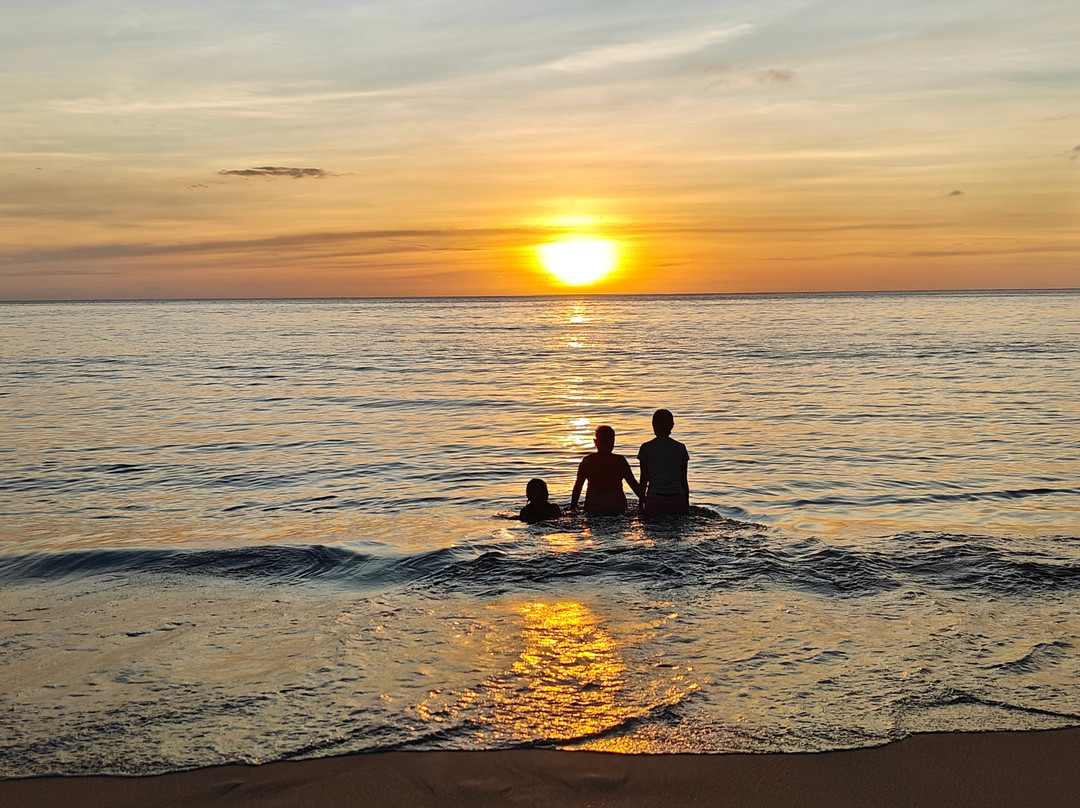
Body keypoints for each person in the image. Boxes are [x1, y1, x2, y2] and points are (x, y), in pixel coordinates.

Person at [570, 425, 643, 515]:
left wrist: (572, 508)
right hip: (617, 507)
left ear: (595, 442)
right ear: (613, 442)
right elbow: (634, 485)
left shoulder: (588, 461)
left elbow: (578, 487)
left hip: (593, 508)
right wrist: (645, 501)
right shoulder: (619, 461)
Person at [638, 409, 690, 516]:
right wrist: (686, 505)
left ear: (653, 425)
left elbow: (643, 480)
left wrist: (640, 507)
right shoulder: (680, 448)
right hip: (677, 498)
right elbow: (683, 480)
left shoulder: (646, 448)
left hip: (655, 498)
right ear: (672, 426)